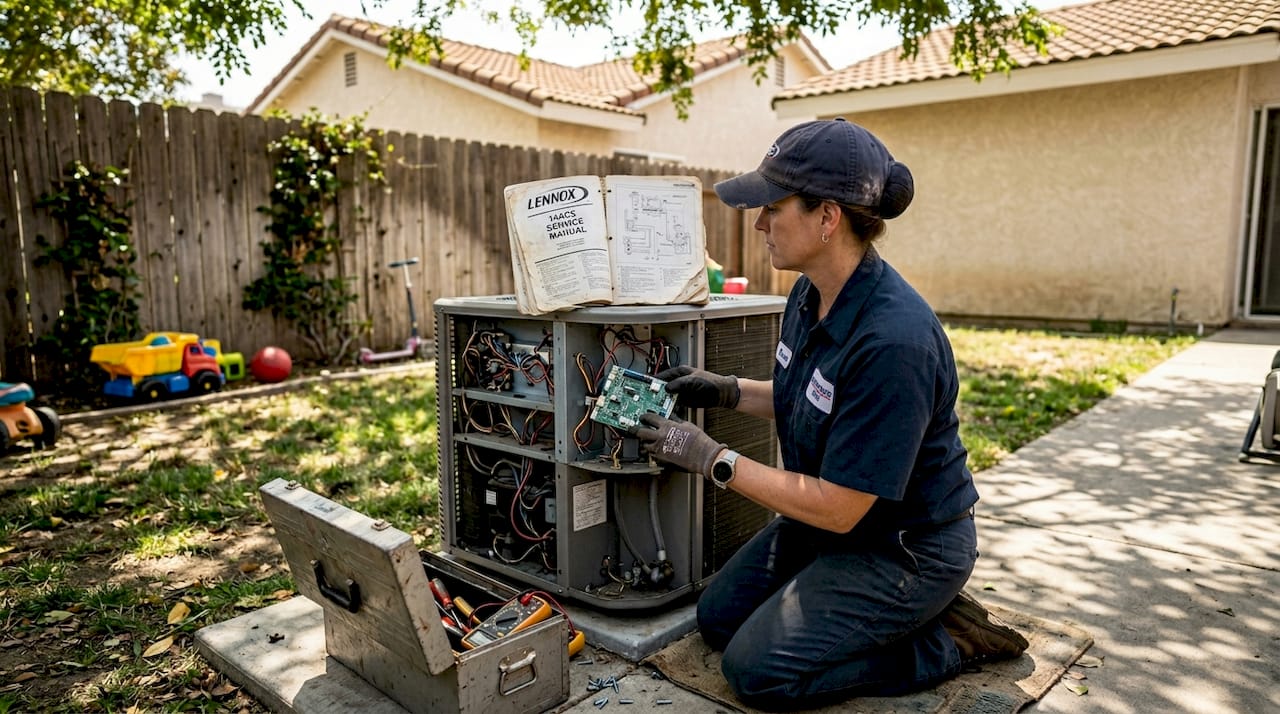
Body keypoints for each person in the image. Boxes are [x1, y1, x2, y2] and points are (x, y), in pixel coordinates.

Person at [631, 118, 1028, 711]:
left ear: (827, 218)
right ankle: (864, 612)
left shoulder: (895, 342)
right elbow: (806, 393)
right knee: (716, 619)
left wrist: (711, 457)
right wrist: (725, 390)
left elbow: (840, 508)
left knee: (757, 672)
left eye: (773, 205)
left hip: (905, 547)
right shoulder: (810, 293)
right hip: (836, 523)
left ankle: (946, 638)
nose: (760, 221)